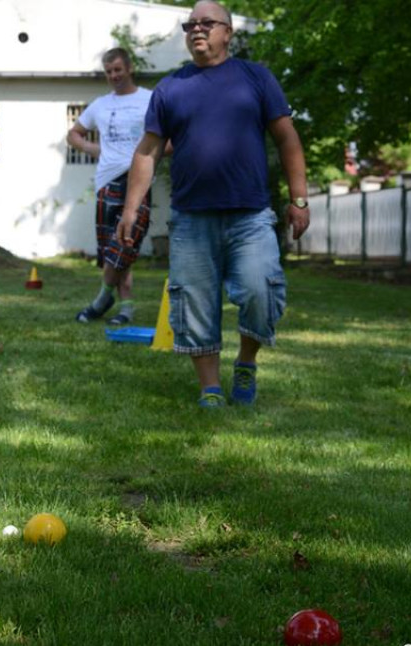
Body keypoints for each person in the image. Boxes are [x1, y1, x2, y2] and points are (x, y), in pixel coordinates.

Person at [116, 1, 310, 408]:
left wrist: (299, 199)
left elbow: (287, 139)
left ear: (229, 32)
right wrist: (132, 209)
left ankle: (245, 362)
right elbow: (148, 152)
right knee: (194, 304)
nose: (197, 30)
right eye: (190, 25)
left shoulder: (255, 79)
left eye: (207, 23)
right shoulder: (171, 88)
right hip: (192, 219)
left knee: (261, 292)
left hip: (250, 215)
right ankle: (210, 389)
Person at [67, 47, 154, 325]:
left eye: (118, 69)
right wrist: (96, 149)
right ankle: (126, 308)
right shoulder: (101, 105)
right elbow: (73, 135)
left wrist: (150, 155)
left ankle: (102, 299)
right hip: (106, 181)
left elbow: (170, 138)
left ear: (129, 69)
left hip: (137, 182)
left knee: (124, 245)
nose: (114, 76)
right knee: (111, 251)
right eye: (108, 72)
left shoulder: (150, 100)